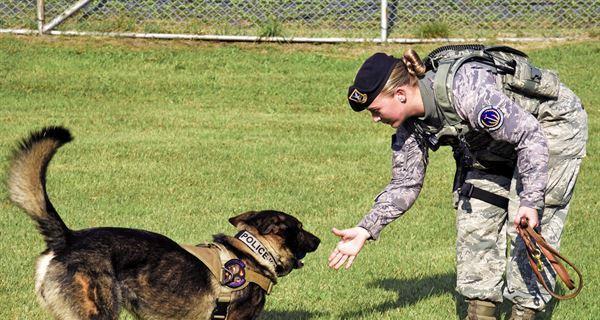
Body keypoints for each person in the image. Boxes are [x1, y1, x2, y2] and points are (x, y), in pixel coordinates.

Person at [328, 45, 587, 320]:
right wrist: (365, 229)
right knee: (476, 217)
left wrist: (531, 201)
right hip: (492, 141)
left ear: (401, 94)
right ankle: (480, 312)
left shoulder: (467, 92)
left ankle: (525, 311)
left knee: (528, 226)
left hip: (549, 125)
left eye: (376, 110)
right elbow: (405, 184)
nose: (375, 118)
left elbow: (529, 136)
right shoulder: (411, 124)